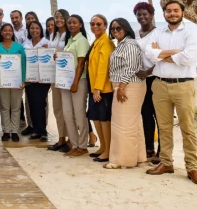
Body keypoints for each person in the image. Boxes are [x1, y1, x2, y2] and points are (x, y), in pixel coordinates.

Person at [144, 1, 197, 186]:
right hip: (160, 85)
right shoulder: (158, 32)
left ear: (182, 12)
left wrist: (161, 54)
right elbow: (149, 53)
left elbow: (190, 57)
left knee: (188, 128)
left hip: (183, 85)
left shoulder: (192, 30)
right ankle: (166, 163)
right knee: (164, 127)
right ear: (164, 14)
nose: (172, 14)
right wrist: (174, 53)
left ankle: (192, 168)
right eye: (168, 11)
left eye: (175, 10)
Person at [104, 18, 146, 169]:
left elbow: (130, 67)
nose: (115, 31)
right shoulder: (121, 44)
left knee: (122, 123)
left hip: (129, 85)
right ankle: (138, 157)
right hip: (127, 84)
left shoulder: (129, 44)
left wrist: (122, 87)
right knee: (132, 123)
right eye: (113, 29)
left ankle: (121, 160)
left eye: (119, 28)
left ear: (126, 29)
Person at [60, 14, 91, 157]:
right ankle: (74, 143)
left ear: (80, 25)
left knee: (79, 115)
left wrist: (75, 82)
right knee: (67, 114)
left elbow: (81, 63)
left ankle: (83, 146)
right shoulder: (69, 41)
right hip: (65, 82)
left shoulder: (82, 40)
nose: (71, 25)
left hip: (78, 81)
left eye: (74, 23)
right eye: (69, 23)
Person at [134, 2, 160, 162]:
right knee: (145, 115)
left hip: (155, 78)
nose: (142, 17)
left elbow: (162, 57)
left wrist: (148, 72)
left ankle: (161, 152)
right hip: (140, 81)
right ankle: (148, 148)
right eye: (139, 14)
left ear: (151, 15)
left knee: (159, 115)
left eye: (145, 14)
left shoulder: (158, 34)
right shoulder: (135, 34)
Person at [87, 15, 115, 163]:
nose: (95, 26)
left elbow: (104, 67)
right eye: (92, 24)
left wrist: (97, 88)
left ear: (105, 25)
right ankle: (103, 146)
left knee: (104, 119)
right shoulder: (97, 41)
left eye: (98, 24)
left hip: (103, 89)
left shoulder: (106, 43)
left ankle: (108, 150)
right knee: (96, 118)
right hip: (93, 88)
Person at [0, 24, 26, 142]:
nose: (7, 32)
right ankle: (6, 131)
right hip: (1, 82)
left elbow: (23, 64)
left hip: (17, 82)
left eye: (9, 31)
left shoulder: (19, 47)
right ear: (1, 33)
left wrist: (23, 80)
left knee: (16, 107)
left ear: (12, 33)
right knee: (4, 107)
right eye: (5, 30)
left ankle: (14, 131)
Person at [47, 9, 70, 153]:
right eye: (57, 17)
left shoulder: (70, 34)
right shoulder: (53, 34)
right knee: (57, 109)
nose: (59, 19)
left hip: (66, 76)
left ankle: (70, 140)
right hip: (54, 75)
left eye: (62, 17)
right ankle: (61, 138)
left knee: (67, 109)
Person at [23, 20, 50, 141]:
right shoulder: (26, 43)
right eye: (32, 28)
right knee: (32, 104)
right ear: (29, 30)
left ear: (41, 30)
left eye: (37, 28)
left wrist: (47, 50)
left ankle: (43, 131)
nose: (34, 30)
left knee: (40, 104)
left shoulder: (46, 43)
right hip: (29, 78)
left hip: (42, 79)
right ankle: (35, 130)